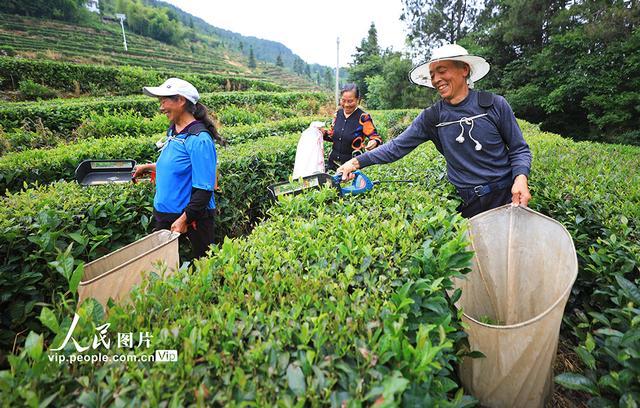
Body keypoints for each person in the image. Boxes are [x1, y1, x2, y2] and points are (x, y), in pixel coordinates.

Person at [336, 44, 532, 218]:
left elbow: (519, 149)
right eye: (432, 75)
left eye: (442, 71)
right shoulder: (432, 117)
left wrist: (521, 178)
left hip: (506, 196)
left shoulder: (494, 105)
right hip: (468, 202)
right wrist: (355, 163)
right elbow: (396, 147)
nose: (436, 79)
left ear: (464, 69)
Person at [133, 77, 225, 259]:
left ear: (181, 101)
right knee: (161, 270)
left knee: (202, 268)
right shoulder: (173, 131)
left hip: (191, 218)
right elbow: (176, 166)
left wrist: (185, 219)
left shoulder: (199, 139)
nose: (161, 107)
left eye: (164, 100)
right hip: (165, 213)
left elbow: (205, 189)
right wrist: (150, 167)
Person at [321, 83, 382, 171]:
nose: (346, 104)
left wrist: (374, 142)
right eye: (343, 100)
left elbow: (375, 137)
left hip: (352, 166)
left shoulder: (363, 117)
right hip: (332, 164)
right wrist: (323, 133)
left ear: (358, 100)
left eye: (350, 101)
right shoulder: (338, 114)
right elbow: (333, 135)